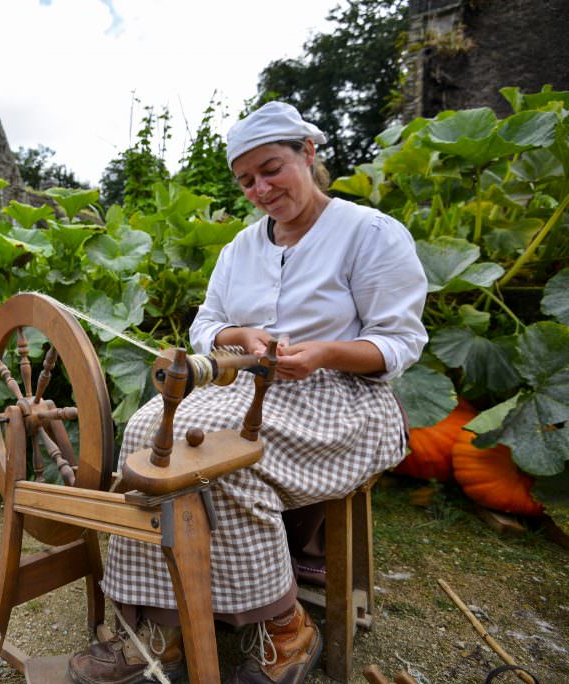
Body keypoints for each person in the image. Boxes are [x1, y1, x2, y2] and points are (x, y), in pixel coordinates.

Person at [68, 102, 428, 684]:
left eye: (272, 169)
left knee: (222, 462)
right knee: (144, 440)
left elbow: (399, 342)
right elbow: (205, 323)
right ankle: (166, 624)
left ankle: (286, 629)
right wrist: (237, 334)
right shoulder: (240, 248)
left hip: (342, 398)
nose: (261, 189)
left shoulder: (369, 234)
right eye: (247, 181)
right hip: (246, 387)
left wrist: (324, 352)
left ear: (308, 154)